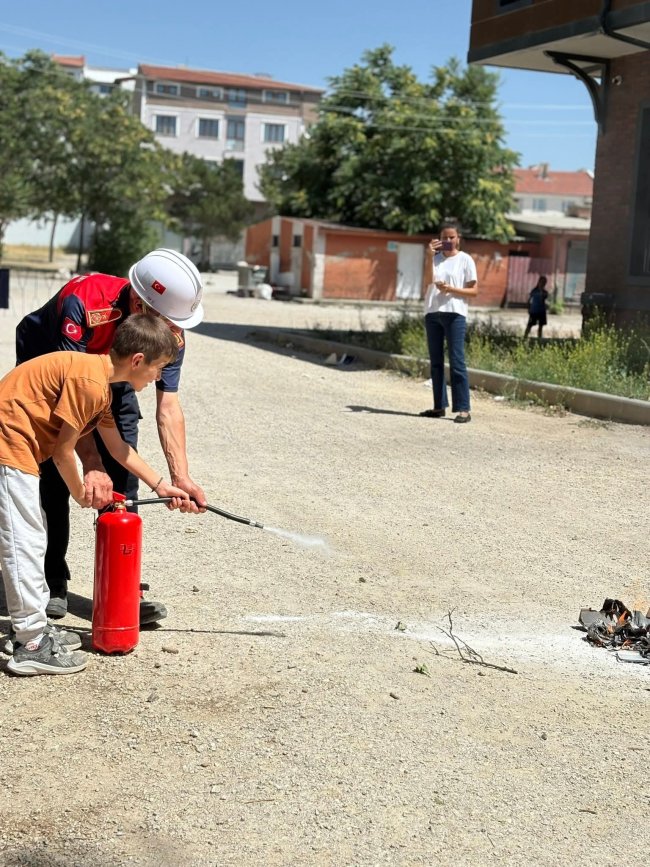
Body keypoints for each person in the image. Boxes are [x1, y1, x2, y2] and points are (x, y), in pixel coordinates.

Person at [15, 248, 207, 623]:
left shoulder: (168, 329)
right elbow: (72, 400)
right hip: (54, 368)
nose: (174, 331)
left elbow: (168, 406)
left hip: (114, 372)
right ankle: (52, 580)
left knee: (122, 481)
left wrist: (178, 478)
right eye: (168, 322)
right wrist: (91, 463)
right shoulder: (84, 303)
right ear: (140, 304)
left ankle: (121, 588)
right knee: (55, 473)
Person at [0, 315, 191, 676]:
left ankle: (30, 628)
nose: (157, 378)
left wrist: (161, 486)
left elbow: (119, 450)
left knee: (31, 538)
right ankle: (31, 643)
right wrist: (80, 493)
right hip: (8, 445)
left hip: (15, 448)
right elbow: (63, 452)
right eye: (157, 369)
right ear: (137, 360)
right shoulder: (89, 382)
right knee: (24, 541)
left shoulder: (99, 385)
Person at [420, 224, 478, 423]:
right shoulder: (434, 259)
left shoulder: (465, 259)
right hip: (432, 312)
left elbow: (474, 291)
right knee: (436, 362)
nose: (448, 240)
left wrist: (451, 289)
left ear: (458, 238)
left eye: (452, 237)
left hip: (455, 313)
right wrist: (429, 256)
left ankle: (463, 409)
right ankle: (439, 407)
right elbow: (427, 282)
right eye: (444, 237)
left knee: (457, 360)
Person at [524, 275, 549, 341]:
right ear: (539, 282)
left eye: (544, 283)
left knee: (540, 327)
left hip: (541, 311)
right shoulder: (534, 291)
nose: (543, 284)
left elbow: (543, 298)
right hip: (534, 311)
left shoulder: (545, 292)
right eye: (542, 282)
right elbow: (529, 300)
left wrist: (541, 291)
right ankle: (524, 338)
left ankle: (539, 340)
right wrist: (528, 309)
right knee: (529, 325)